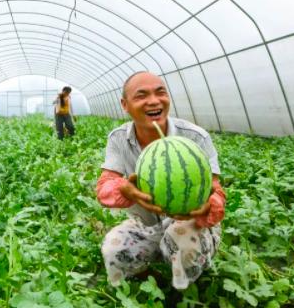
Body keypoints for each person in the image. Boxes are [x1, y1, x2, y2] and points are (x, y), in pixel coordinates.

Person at [96, 71, 226, 290]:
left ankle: (183, 288)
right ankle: (153, 280)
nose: (154, 101)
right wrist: (123, 189)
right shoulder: (118, 138)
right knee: (113, 250)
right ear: (124, 104)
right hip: (146, 223)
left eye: (160, 93)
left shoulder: (195, 137)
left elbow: (216, 191)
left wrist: (208, 205)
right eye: (141, 95)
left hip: (190, 224)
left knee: (183, 245)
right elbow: (105, 185)